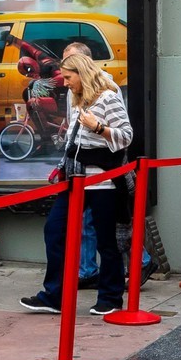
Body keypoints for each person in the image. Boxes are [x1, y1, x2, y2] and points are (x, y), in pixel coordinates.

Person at [20, 44, 132, 316]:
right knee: (55, 230)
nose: (65, 83)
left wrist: (99, 128)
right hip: (75, 176)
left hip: (104, 180)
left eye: (68, 77)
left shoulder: (108, 96)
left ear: (82, 73)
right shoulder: (75, 96)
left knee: (107, 240)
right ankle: (54, 295)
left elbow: (126, 135)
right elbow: (75, 136)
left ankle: (111, 297)